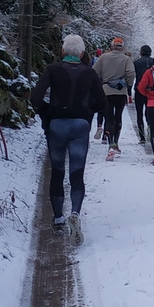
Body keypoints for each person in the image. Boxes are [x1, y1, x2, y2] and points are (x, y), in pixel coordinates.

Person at [32, 34, 105, 244]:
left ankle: (58, 219)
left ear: (63, 51)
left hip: (57, 125)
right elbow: (102, 104)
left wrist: (48, 112)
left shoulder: (52, 69)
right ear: (82, 54)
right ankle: (75, 213)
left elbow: (35, 98)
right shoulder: (90, 73)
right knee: (77, 172)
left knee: (57, 172)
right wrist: (86, 112)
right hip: (80, 126)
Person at [93, 36, 134, 159]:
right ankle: (115, 142)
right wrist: (128, 84)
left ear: (111, 46)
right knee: (118, 116)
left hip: (106, 91)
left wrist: (100, 82)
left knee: (109, 118)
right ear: (122, 48)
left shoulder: (103, 57)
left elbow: (94, 71)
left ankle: (110, 143)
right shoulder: (126, 59)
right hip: (121, 92)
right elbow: (131, 73)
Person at [133, 45, 154, 144]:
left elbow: (133, 75)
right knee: (149, 112)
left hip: (139, 89)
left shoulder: (137, 62)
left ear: (141, 52)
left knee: (139, 113)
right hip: (151, 90)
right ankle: (150, 128)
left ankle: (142, 137)